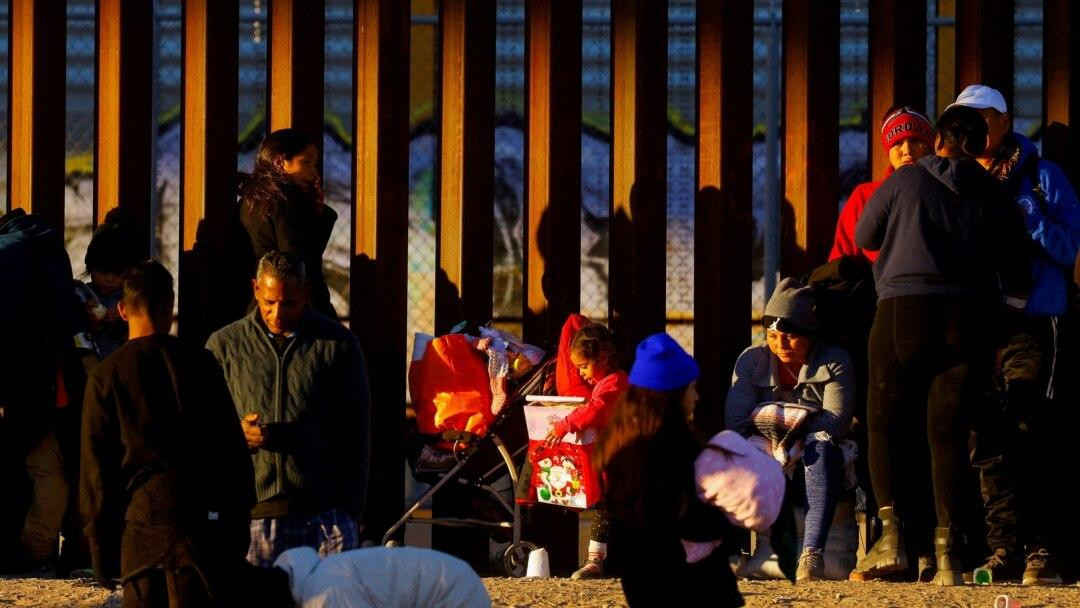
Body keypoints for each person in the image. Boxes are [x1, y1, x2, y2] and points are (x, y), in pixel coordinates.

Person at [850, 105, 1031, 586]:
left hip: (901, 313)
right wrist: (1003, 317)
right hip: (966, 319)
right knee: (947, 434)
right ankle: (948, 555)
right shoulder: (993, 191)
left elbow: (864, 234)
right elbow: (1018, 265)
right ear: (978, 145)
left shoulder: (904, 182)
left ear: (937, 141)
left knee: (883, 422)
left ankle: (891, 542)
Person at [947, 84, 1080, 585]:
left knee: (1028, 425)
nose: (973, 129)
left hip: (1035, 321)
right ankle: (1003, 549)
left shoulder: (1043, 176)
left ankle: (1041, 550)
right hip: (980, 322)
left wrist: (1030, 215)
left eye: (980, 118)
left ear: (1003, 122)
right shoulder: (955, 179)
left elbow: (1069, 249)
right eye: (963, 119)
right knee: (985, 432)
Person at [80, 260, 254, 607]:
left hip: (140, 534)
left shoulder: (107, 376)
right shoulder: (201, 364)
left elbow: (95, 475)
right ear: (170, 306)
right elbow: (233, 457)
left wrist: (101, 554)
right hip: (199, 534)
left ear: (123, 309)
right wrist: (235, 537)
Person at [206, 251, 371, 567]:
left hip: (325, 519)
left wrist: (351, 513)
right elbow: (203, 428)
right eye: (268, 302)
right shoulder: (224, 346)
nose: (276, 312)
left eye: (288, 303)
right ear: (256, 289)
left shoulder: (338, 345)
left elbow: (357, 433)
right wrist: (235, 435)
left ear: (306, 293)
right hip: (252, 516)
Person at [594, 333, 742, 607]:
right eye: (691, 388)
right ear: (672, 395)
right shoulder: (678, 447)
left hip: (638, 577)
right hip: (684, 576)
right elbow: (692, 521)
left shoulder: (617, 444)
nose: (696, 397)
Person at [725, 277, 854, 582]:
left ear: (810, 333)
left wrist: (776, 420)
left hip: (816, 454)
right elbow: (737, 422)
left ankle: (811, 554)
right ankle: (733, 551)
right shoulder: (752, 361)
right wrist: (792, 423)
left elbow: (835, 424)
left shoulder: (834, 360)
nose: (780, 345)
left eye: (791, 336)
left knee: (819, 448)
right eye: (772, 335)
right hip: (766, 450)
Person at [541, 323, 628, 580]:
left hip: (622, 462)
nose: (581, 374)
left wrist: (564, 425)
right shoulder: (610, 382)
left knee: (607, 510)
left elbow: (597, 409)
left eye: (583, 366)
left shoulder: (614, 384)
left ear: (601, 358)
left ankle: (595, 561)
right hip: (616, 462)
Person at [239, 128, 338, 319]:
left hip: (257, 307)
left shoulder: (251, 201)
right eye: (306, 162)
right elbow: (301, 263)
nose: (313, 171)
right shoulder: (286, 201)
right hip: (286, 310)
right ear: (279, 162)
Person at [830, 106, 935, 263]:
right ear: (887, 149)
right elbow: (839, 261)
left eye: (915, 140)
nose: (907, 150)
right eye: (897, 143)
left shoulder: (943, 191)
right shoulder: (864, 196)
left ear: (929, 146)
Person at [75, 208, 140, 359]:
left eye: (117, 273)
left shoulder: (133, 296)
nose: (110, 279)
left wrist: (126, 315)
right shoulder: (83, 294)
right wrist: (91, 321)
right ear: (90, 267)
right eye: (103, 271)